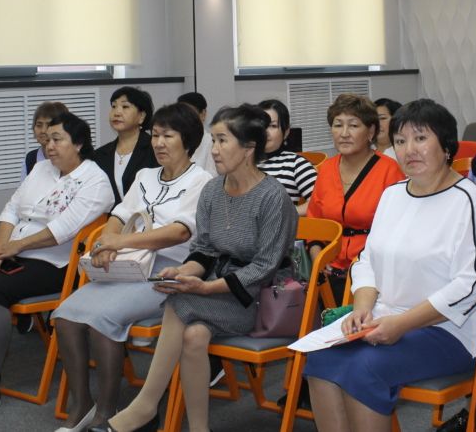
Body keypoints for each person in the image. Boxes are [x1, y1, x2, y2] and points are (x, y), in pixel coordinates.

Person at [305, 99, 476, 432]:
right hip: (383, 319)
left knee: (365, 368)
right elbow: (367, 260)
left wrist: (401, 324)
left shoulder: (469, 199)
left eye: (420, 138)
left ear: (446, 145)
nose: (410, 150)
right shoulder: (393, 195)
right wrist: (362, 308)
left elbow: (471, 285)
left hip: (448, 330)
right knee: (321, 357)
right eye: (400, 141)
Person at [106, 104, 297, 432]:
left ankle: (145, 406)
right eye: (214, 140)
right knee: (194, 336)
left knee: (180, 302)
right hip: (221, 290)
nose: (214, 149)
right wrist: (185, 272)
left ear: (248, 148)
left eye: (222, 141)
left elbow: (264, 268)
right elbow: (204, 250)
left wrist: (206, 287)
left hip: (259, 298)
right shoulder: (212, 190)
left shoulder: (272, 197)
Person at [0, 111, 114, 421]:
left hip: (57, 263)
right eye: (47, 139)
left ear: (79, 143)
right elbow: (11, 210)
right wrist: (1, 248)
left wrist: (16, 246)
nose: (49, 145)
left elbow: (62, 229)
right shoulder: (40, 169)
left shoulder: (95, 180)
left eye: (57, 139)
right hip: (15, 253)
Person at [52, 103, 212, 432]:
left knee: (102, 319)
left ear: (188, 141)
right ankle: (81, 405)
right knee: (65, 316)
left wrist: (119, 242)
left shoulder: (202, 181)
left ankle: (106, 412)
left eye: (168, 136)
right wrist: (104, 243)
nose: (159, 143)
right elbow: (119, 216)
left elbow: (179, 233)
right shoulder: (145, 176)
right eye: (155, 135)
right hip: (128, 264)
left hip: (169, 270)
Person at [307, 93, 403, 300]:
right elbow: (315, 220)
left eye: (353, 125)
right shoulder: (326, 169)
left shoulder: (390, 170)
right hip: (329, 271)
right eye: (337, 125)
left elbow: (398, 230)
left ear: (371, 131)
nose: (344, 133)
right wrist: (317, 254)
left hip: (373, 274)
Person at [93, 87, 157, 203]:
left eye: (125, 106)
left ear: (141, 116)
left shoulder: (155, 149)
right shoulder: (100, 154)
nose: (117, 112)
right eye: (114, 106)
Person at [257, 98, 317, 214]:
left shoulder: (296, 164)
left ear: (286, 132)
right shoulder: (244, 162)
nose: (265, 131)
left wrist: (288, 214)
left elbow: (318, 202)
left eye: (273, 126)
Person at [21, 101, 70, 181]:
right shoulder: (30, 159)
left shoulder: (74, 160)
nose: (43, 130)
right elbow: (23, 188)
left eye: (49, 125)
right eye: (39, 125)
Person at [179, 91, 216, 174]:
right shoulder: (176, 141)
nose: (184, 119)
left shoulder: (211, 142)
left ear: (203, 114)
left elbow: (211, 177)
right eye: (181, 114)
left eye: (189, 114)